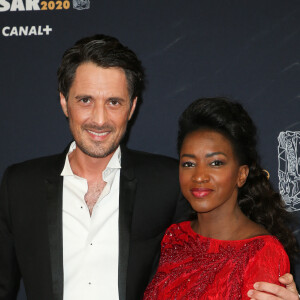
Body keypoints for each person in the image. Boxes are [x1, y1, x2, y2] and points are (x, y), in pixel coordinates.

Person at [0, 36, 297, 300]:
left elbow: (223, 250)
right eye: (86, 100)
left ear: (131, 107)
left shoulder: (167, 182)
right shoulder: (20, 186)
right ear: (65, 102)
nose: (99, 119)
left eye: (114, 102)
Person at [144, 97, 299, 299]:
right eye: (189, 164)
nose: (199, 176)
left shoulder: (261, 253)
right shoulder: (174, 237)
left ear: (241, 174)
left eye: (216, 163)